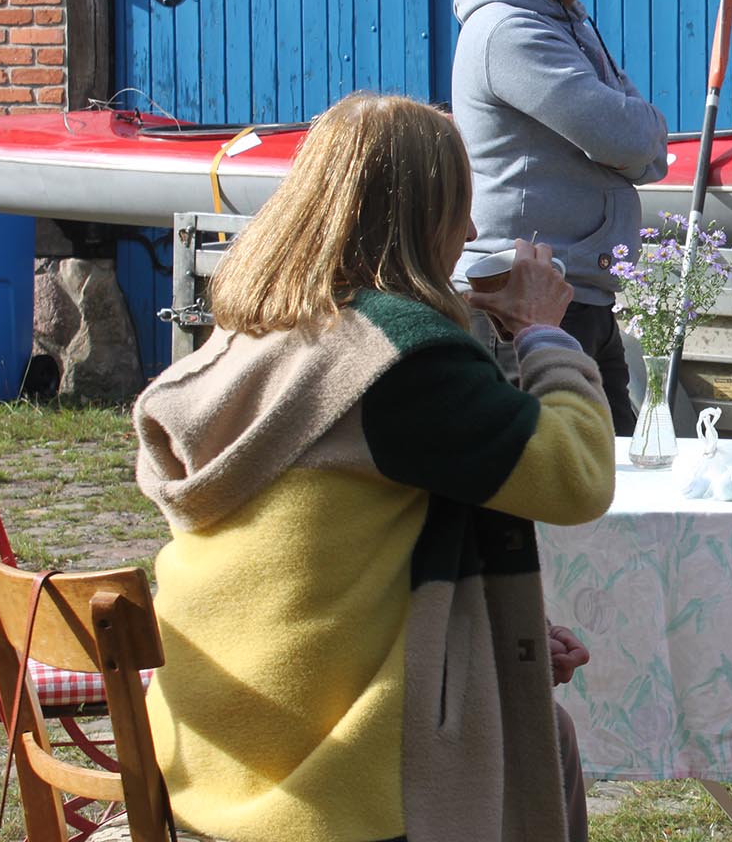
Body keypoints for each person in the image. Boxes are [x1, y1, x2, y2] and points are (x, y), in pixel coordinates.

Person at [133, 92, 615, 842]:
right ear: (420, 219)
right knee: (536, 747)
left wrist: (497, 633)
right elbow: (576, 476)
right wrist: (542, 334)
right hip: (328, 782)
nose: (472, 233)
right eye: (459, 209)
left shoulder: (250, 337)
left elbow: (335, 548)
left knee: (546, 733)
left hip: (210, 745)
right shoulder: (401, 362)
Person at [451, 0, 670, 433]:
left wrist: (639, 137)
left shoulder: (566, 22)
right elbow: (626, 135)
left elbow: (640, 142)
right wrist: (640, 136)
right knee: (551, 472)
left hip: (570, 296)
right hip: (525, 303)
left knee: (608, 468)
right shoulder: (511, 31)